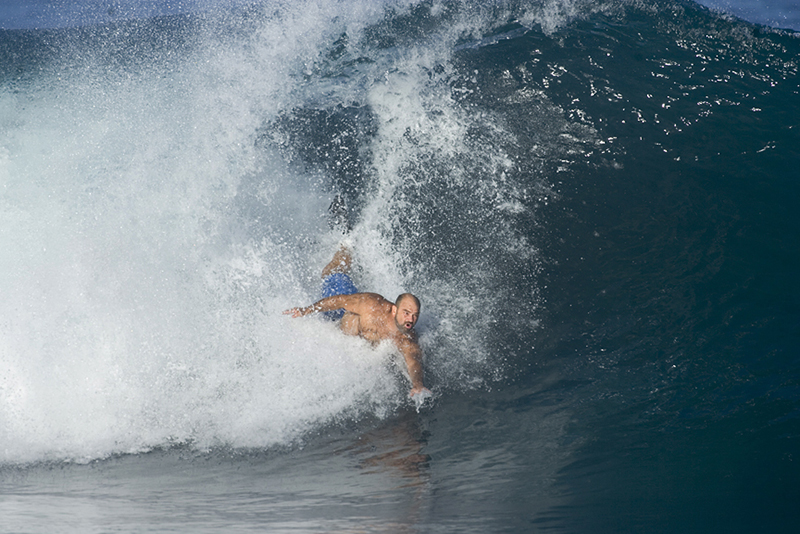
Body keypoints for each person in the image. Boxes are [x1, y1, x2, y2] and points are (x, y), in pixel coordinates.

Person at [283, 244, 430, 398]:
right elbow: (340, 301)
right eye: (406, 313)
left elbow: (413, 360)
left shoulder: (406, 338)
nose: (410, 319)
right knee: (331, 273)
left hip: (348, 330)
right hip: (337, 314)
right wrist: (306, 310)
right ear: (394, 310)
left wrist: (418, 385)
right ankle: (346, 246)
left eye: (415, 315)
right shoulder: (373, 305)